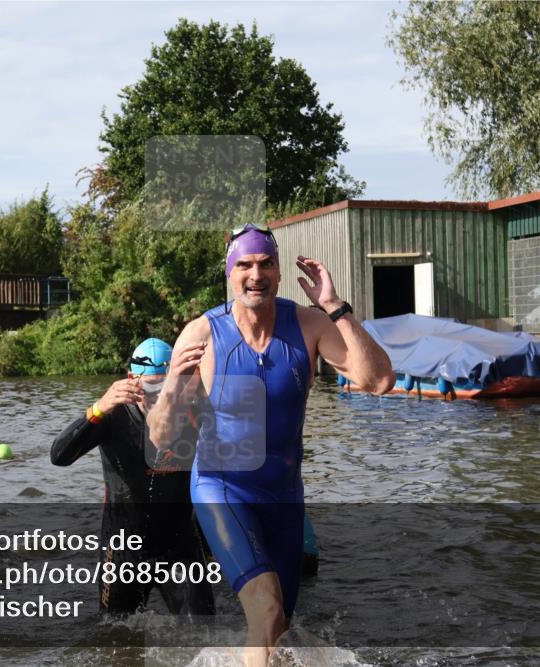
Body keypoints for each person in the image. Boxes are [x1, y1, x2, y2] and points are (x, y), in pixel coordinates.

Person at [147, 223, 394, 664]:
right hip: (223, 487)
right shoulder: (202, 334)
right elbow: (160, 437)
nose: (255, 275)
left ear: (279, 273)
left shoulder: (309, 324)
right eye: (244, 265)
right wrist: (171, 387)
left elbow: (378, 381)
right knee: (266, 607)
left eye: (265, 264)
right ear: (230, 274)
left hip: (283, 496)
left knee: (279, 628)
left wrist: (335, 307)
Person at [50, 338, 215, 616]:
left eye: (165, 386)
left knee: (204, 636)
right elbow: (59, 456)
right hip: (123, 547)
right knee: (114, 636)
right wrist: (98, 408)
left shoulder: (192, 412)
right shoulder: (112, 415)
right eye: (148, 386)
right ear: (130, 380)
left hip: (179, 545)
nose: (157, 397)